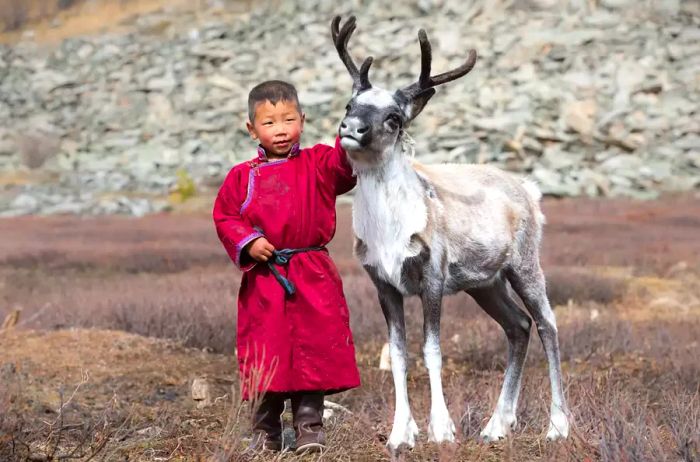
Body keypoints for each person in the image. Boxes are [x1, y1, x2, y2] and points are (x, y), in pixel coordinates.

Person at [213, 80, 360, 454]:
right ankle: (266, 432)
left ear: (303, 121)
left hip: (312, 273)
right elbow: (226, 216)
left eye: (288, 119)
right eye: (269, 123)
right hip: (266, 277)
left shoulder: (319, 162)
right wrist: (249, 241)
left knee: (314, 349)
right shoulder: (240, 176)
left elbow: (346, 170)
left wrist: (350, 130)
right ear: (251, 129)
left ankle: (310, 428)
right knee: (267, 352)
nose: (280, 129)